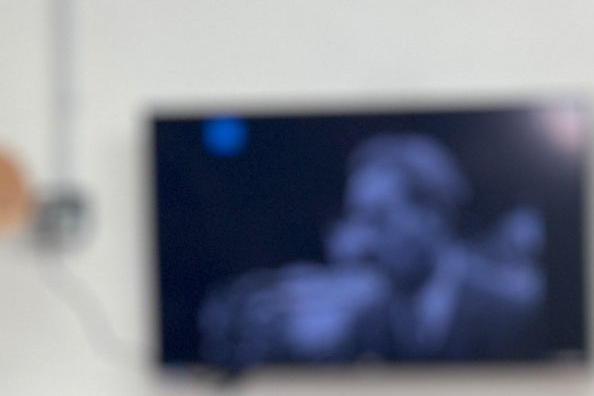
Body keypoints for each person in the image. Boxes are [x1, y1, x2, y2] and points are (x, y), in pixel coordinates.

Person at [198, 133, 547, 368]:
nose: (360, 242)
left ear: (433, 216)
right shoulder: (362, 316)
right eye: (357, 219)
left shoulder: (515, 307)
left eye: (379, 220)